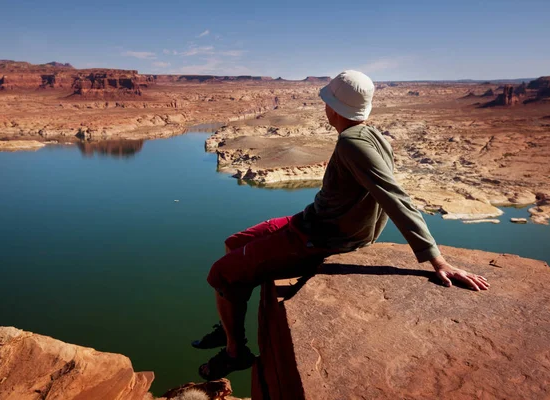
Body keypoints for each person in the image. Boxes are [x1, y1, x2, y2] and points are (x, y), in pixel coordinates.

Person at [194, 70, 490, 380]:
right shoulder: (371, 135)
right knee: (234, 242)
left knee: (220, 273)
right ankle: (228, 326)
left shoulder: (353, 143)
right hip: (312, 221)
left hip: (320, 237)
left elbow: (394, 197)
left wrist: (436, 258)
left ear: (333, 108)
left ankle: (235, 351)